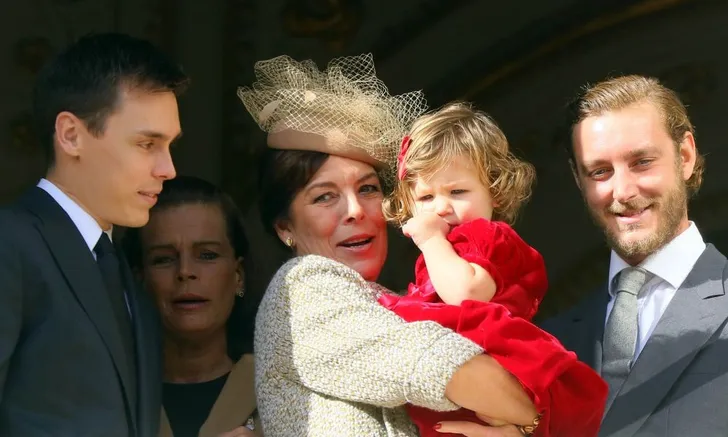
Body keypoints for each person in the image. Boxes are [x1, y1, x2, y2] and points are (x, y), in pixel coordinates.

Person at [239, 53, 540, 437]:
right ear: (285, 227)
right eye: (324, 197)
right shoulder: (302, 287)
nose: (355, 211)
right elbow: (448, 370)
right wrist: (533, 420)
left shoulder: (394, 301)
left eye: (367, 189)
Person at [378, 101, 607, 437]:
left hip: (496, 361)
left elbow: (465, 294)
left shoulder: (485, 236)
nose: (441, 207)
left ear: (494, 190)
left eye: (457, 191)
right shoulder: (444, 249)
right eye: (426, 198)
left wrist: (430, 240)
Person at [0, 33, 187, 437]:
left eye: (170, 145)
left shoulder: (122, 272)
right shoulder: (9, 245)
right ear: (71, 135)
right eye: (147, 143)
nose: (168, 169)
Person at [541, 74, 728, 436]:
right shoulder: (550, 342)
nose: (622, 191)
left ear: (685, 156)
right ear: (579, 180)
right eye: (600, 171)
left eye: (642, 162)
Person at [122, 176, 263, 437]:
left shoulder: (279, 390)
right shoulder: (109, 394)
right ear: (140, 280)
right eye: (163, 259)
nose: (185, 271)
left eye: (207, 255)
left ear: (238, 275)